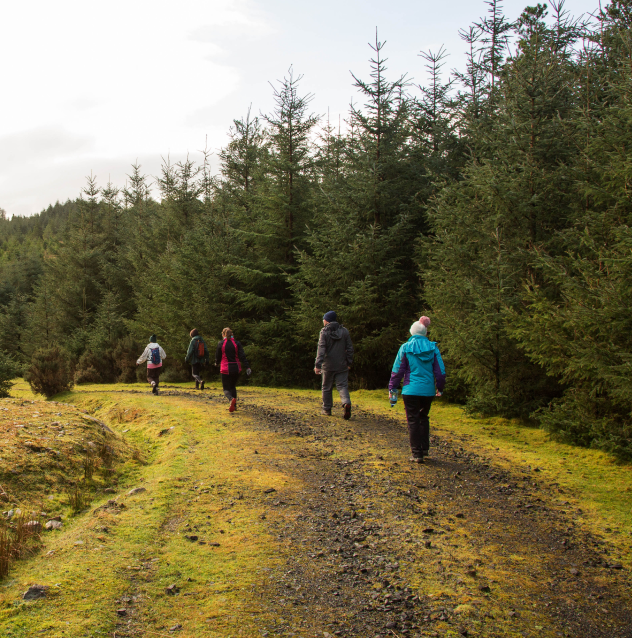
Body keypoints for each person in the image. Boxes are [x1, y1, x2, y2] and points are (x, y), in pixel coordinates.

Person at [388, 316, 446, 463]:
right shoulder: (433, 348)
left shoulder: (406, 348)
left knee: (413, 420)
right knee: (424, 418)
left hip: (410, 390)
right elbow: (440, 372)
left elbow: (397, 371)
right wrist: (440, 388)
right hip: (428, 391)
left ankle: (416, 453)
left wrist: (392, 388)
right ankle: (424, 449)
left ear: (412, 332)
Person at [314, 310, 354, 419]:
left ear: (326, 320)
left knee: (326, 387)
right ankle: (346, 402)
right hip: (342, 364)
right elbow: (350, 348)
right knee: (342, 386)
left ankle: (327, 409)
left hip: (328, 365)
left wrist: (318, 365)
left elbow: (321, 349)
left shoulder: (324, 332)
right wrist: (349, 362)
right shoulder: (344, 331)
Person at [215, 328, 251, 412]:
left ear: (223, 335)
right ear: (232, 334)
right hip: (236, 367)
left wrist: (216, 363)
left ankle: (231, 399)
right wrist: (247, 367)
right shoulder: (237, 343)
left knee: (226, 388)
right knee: (233, 387)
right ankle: (234, 406)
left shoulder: (221, 343)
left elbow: (218, 356)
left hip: (225, 368)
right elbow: (242, 356)